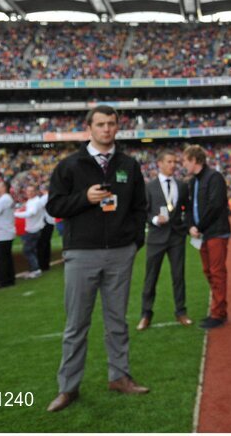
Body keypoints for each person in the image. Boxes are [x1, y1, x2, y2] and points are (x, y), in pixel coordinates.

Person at [45, 105, 150, 412]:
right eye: (101, 124)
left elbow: (140, 207)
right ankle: (68, 387)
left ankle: (119, 376)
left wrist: (133, 242)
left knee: (117, 321)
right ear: (88, 128)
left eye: (112, 124)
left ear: (118, 127)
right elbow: (54, 206)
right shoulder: (70, 166)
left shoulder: (129, 165)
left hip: (120, 253)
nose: (107, 129)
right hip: (82, 253)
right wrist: (84, 199)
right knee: (77, 323)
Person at [137, 150, 192, 331]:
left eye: (174, 162)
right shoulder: (149, 187)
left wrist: (185, 226)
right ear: (159, 163)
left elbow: (188, 208)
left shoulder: (182, 185)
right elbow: (143, 211)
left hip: (176, 236)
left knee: (178, 276)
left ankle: (181, 312)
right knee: (151, 277)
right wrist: (153, 219)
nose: (173, 165)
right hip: (156, 237)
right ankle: (146, 314)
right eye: (169, 161)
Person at [183, 144, 230, 329]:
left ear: (195, 160)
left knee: (217, 272)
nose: (184, 165)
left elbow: (216, 205)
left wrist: (198, 226)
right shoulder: (193, 182)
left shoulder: (214, 177)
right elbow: (188, 208)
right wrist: (191, 227)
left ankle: (218, 313)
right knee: (208, 271)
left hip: (215, 232)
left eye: (186, 161)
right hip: (202, 234)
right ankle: (219, 309)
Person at [14, 185, 49, 279]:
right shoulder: (32, 201)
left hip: (33, 229)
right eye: (28, 191)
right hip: (33, 228)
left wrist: (15, 214)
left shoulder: (35, 202)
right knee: (32, 250)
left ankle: (36, 269)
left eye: (31, 191)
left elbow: (31, 213)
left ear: (36, 192)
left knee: (27, 251)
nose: (29, 193)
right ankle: (34, 268)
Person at [36, 185, 56, 272]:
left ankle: (42, 264)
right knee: (46, 244)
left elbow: (38, 207)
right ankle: (45, 264)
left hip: (46, 222)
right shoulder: (51, 196)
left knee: (42, 244)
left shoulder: (45, 197)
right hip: (50, 221)